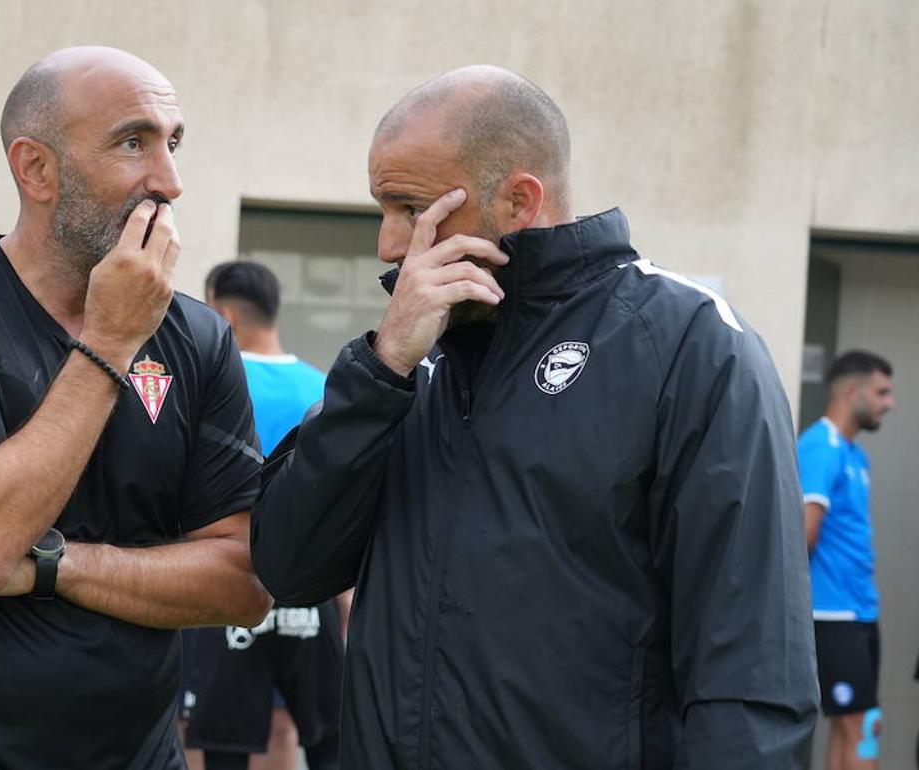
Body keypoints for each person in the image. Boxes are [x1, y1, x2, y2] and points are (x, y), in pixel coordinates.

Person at [250, 66, 819, 768]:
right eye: (384, 209)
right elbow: (289, 567)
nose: (389, 244)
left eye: (410, 208)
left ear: (519, 200)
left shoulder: (687, 344)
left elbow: (752, 667)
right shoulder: (405, 361)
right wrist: (380, 372)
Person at [0, 47, 272, 769]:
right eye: (133, 142)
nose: (168, 181)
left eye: (173, 143)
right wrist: (112, 340)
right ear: (35, 168)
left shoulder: (199, 336)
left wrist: (53, 564)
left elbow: (245, 581)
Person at [181, 261, 341, 770]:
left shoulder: (214, 381)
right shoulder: (325, 389)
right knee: (312, 733)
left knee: (215, 734)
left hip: (225, 579)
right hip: (305, 588)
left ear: (223, 312)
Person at [798, 350, 894, 770]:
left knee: (858, 723)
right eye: (881, 392)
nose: (888, 403)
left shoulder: (856, 455)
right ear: (852, 391)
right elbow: (803, 535)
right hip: (832, 615)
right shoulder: (821, 447)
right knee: (860, 727)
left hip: (859, 613)